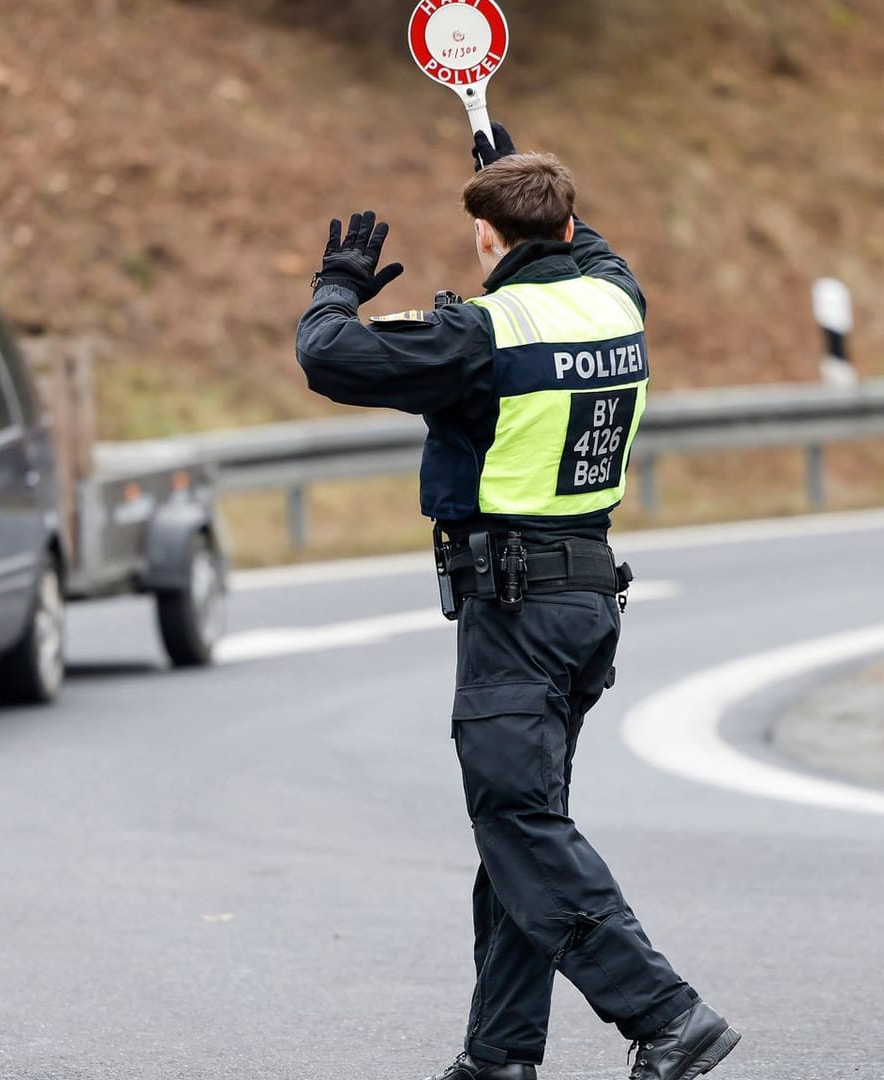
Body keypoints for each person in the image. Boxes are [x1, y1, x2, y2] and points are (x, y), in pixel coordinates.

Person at [295, 124, 739, 1080]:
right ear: (570, 223)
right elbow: (587, 238)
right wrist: (510, 165)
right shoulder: (617, 302)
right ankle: (500, 1055)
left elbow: (327, 356)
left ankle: (666, 1015)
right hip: (586, 601)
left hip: (515, 607)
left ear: (488, 241)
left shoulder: (478, 336)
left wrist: (338, 282)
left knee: (518, 823)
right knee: (524, 823)